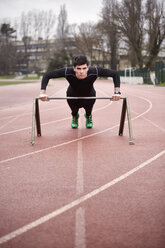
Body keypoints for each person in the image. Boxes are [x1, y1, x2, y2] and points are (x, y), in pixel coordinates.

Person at [40, 55, 121, 128]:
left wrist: (117, 92)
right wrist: (42, 93)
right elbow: (47, 75)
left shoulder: (94, 71)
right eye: (78, 68)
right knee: (74, 111)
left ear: (88, 68)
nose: (81, 71)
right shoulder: (67, 71)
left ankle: (88, 117)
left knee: (88, 111)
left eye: (84, 68)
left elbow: (115, 74)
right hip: (72, 96)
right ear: (74, 68)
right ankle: (75, 117)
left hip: (89, 95)